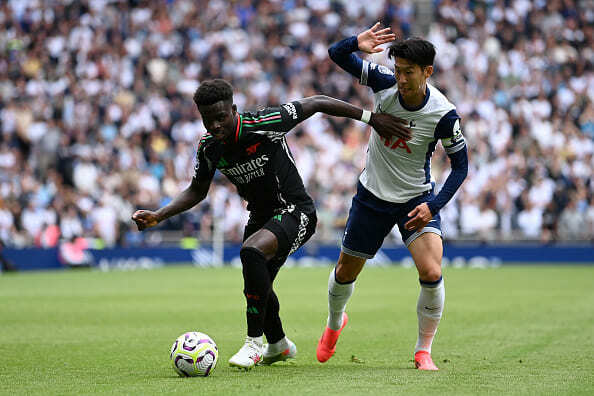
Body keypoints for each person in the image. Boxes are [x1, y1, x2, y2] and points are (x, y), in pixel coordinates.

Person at [131, 79, 411, 370]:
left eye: (221, 117)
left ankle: (253, 343)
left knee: (251, 253)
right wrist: (158, 215)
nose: (214, 125)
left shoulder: (265, 122)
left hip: (295, 210)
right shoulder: (208, 148)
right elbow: (197, 190)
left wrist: (371, 118)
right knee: (257, 283)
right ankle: (278, 344)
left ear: (234, 110)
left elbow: (316, 102)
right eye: (207, 119)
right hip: (261, 217)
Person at [317, 23, 469, 371]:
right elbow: (336, 54)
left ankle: (423, 351)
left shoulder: (444, 114)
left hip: (416, 200)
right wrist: (357, 42)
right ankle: (335, 322)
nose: (400, 78)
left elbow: (460, 167)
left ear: (427, 72)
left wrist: (432, 206)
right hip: (372, 196)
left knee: (431, 271)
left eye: (409, 72)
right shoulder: (383, 82)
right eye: (398, 70)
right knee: (345, 271)